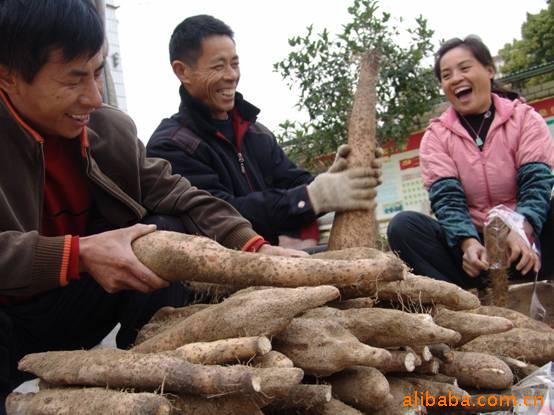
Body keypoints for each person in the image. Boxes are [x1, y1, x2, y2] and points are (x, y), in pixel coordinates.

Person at [0, 1, 305, 410]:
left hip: (69, 308)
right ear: (8, 74)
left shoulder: (109, 131)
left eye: (97, 72)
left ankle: (149, 371)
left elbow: (179, 193)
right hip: (8, 320)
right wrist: (80, 253)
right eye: (74, 80)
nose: (93, 97)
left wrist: (255, 249)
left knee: (164, 228)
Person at [146, 14, 382, 250]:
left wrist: (333, 179)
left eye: (235, 64)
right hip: (221, 270)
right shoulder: (170, 146)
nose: (231, 75)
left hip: (274, 257)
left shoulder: (257, 134)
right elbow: (219, 213)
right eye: (219, 66)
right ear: (182, 71)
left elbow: (293, 183)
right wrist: (313, 197)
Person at [387, 35, 554, 289]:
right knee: (403, 227)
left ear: (489, 70)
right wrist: (466, 242)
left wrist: (522, 230)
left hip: (527, 241)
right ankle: (462, 302)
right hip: (473, 252)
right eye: (446, 75)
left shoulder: (525, 119)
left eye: (465, 68)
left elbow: (536, 183)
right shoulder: (436, 137)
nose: (455, 78)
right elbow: (447, 199)